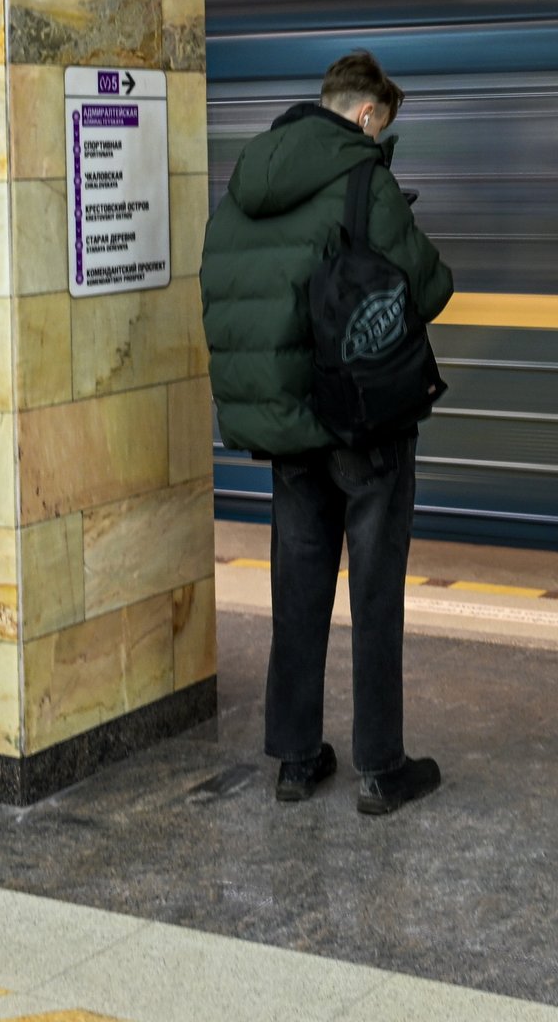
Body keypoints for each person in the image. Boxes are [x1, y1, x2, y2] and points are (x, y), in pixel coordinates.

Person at [200, 50, 455, 815]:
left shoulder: (250, 178)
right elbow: (431, 285)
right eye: (384, 127)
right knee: (374, 593)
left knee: (298, 590)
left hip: (286, 426)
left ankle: (296, 760)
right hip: (362, 422)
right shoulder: (363, 178)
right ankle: (381, 768)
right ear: (369, 115)